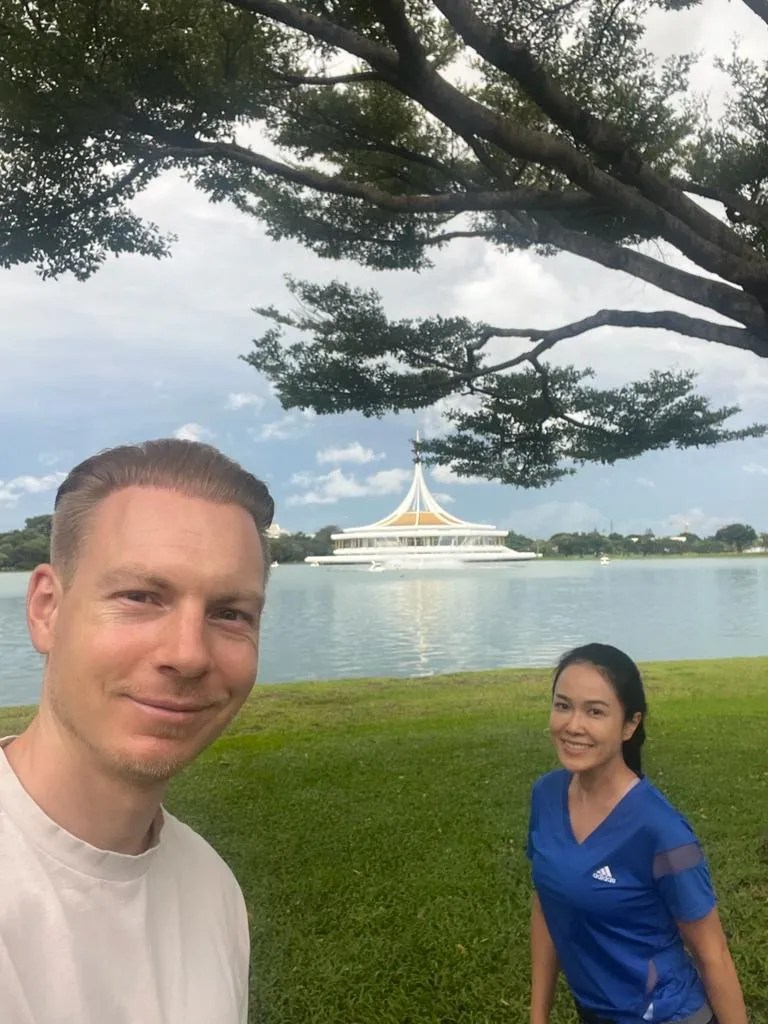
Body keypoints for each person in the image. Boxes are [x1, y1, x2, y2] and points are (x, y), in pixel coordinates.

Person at [0, 438, 274, 1024]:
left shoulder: (210, 886)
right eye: (141, 596)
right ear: (47, 608)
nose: (188, 654)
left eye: (230, 613)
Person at [527, 642, 747, 1024]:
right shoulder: (546, 796)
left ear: (630, 724)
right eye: (563, 705)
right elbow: (547, 901)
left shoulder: (664, 832)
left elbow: (714, 955)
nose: (572, 725)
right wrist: (538, 1015)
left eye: (595, 711)